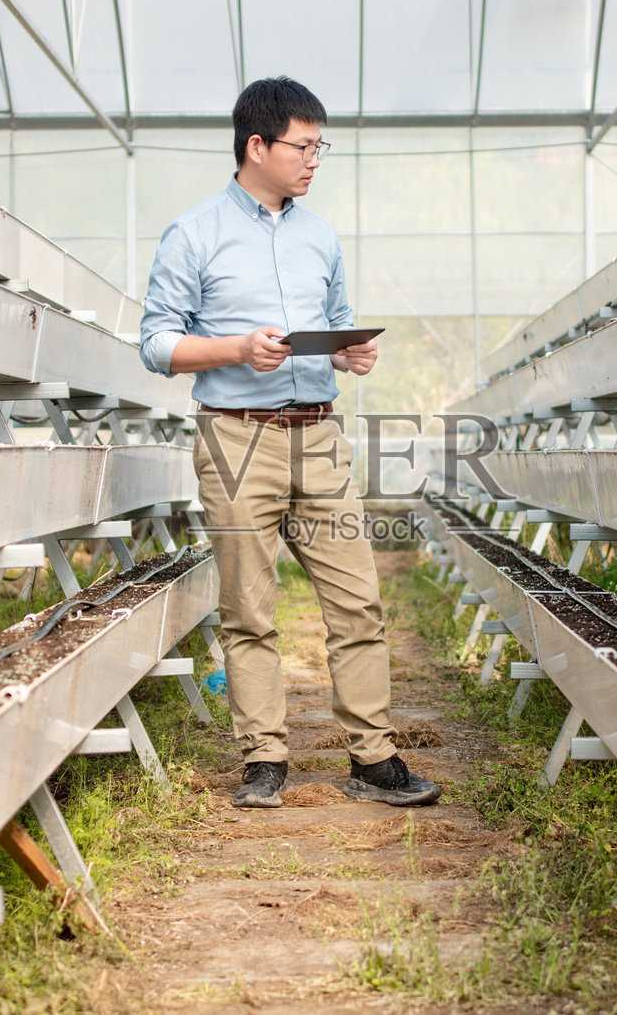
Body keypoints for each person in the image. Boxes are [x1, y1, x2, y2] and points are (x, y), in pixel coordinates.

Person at [138, 76, 439, 810]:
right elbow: (156, 343)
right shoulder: (195, 233)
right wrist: (237, 348)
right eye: (304, 146)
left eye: (318, 146)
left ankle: (372, 756)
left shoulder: (319, 235)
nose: (313, 160)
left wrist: (349, 354)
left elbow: (336, 320)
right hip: (238, 440)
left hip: (320, 437)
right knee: (249, 607)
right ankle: (264, 758)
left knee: (359, 600)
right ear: (257, 146)